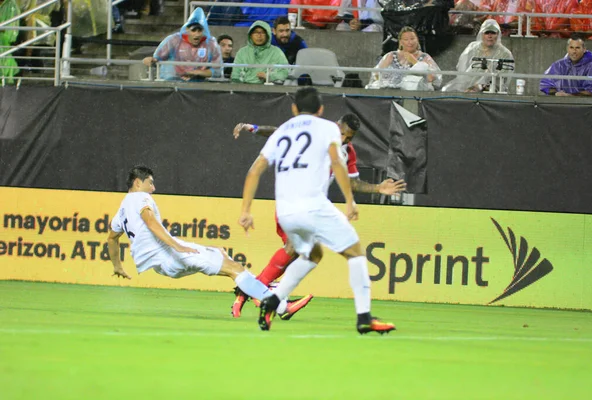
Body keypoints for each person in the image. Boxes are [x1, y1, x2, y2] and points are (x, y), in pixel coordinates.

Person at [238, 87, 397, 335]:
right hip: (313, 205)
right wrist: (349, 201)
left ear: (293, 108)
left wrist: (246, 210)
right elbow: (336, 162)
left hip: (286, 212)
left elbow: (255, 170)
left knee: (313, 255)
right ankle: (364, 317)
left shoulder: (283, 133)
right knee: (355, 253)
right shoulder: (328, 129)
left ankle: (272, 300)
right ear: (321, 110)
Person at [108, 166, 309, 320]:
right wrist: (177, 247)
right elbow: (150, 221)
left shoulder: (122, 210)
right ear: (137, 183)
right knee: (235, 268)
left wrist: (117, 266)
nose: (153, 188)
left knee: (224, 258)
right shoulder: (140, 198)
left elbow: (112, 238)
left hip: (162, 265)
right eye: (150, 183)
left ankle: (259, 295)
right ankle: (279, 306)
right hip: (171, 254)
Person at [142, 8, 222, 82]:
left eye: (199, 30)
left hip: (198, 86)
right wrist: (150, 60)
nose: (197, 34)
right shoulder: (174, 40)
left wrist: (196, 72)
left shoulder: (211, 44)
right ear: (187, 29)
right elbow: (157, 58)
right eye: (193, 30)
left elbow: (217, 71)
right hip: (173, 83)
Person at [442, 19, 514, 93]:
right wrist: (465, 85)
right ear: (481, 34)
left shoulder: (505, 53)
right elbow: (462, 68)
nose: (490, 36)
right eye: (487, 33)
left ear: (498, 34)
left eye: (493, 33)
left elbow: (502, 78)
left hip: (491, 89)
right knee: (445, 90)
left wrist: (479, 86)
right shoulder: (472, 47)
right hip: (466, 85)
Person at [366, 26, 442, 91]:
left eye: (412, 39)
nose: (410, 42)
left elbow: (431, 79)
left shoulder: (425, 57)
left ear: (417, 40)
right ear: (401, 42)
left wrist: (415, 62)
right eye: (406, 40)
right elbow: (376, 75)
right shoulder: (391, 56)